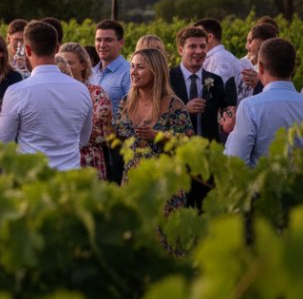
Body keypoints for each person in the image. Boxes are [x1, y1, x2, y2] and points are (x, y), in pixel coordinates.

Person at [0, 21, 93, 171]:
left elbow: (0, 144)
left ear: (27, 50)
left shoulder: (17, 92)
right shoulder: (81, 90)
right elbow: (83, 139)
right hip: (71, 181)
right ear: (57, 49)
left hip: (33, 181)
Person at [224, 38, 303, 165]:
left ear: (260, 67)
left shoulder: (249, 108)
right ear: (294, 67)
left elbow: (236, 164)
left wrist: (233, 132)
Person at [114, 48, 193, 184]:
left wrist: (158, 137)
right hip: (132, 179)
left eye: (140, 67)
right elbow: (120, 138)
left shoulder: (174, 105)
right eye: (132, 66)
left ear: (155, 71)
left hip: (164, 182)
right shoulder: (126, 102)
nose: (133, 72)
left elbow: (188, 145)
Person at [169, 26, 235, 143]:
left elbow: (225, 111)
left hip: (209, 152)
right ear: (180, 50)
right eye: (192, 46)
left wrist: (230, 116)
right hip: (176, 150)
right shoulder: (168, 79)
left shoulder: (216, 80)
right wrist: (184, 111)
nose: (199, 51)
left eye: (203, 46)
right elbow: (157, 116)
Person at [60, 42, 113, 180]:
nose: (65, 67)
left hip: (88, 163)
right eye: (62, 62)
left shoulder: (96, 93)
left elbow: (99, 131)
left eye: (70, 62)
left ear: (83, 65)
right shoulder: (55, 93)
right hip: (60, 163)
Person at [195, 18, 241, 102]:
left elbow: (213, 90)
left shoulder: (221, 59)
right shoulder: (215, 57)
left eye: (197, 36)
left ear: (209, 38)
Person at [92, 19, 130, 115]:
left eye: (108, 40)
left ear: (121, 43)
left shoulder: (129, 72)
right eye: (98, 40)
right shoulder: (90, 73)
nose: (102, 45)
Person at [237, 22, 280, 100]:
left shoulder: (278, 71)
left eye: (250, 41)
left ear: (263, 43)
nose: (246, 46)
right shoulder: (241, 65)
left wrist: (259, 85)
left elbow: (277, 101)